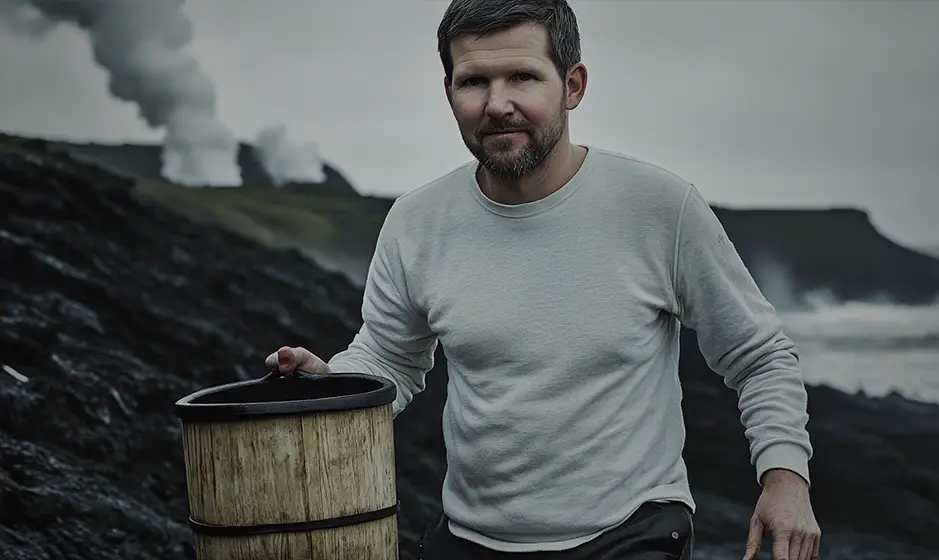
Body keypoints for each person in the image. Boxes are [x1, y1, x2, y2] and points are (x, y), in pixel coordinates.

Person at [265, 0, 822, 558]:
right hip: (470, 539)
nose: (497, 104)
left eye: (523, 77)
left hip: (631, 533)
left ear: (572, 85)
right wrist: (333, 386)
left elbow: (759, 356)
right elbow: (390, 357)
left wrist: (786, 480)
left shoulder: (659, 208)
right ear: (449, 92)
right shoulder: (417, 222)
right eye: (473, 82)